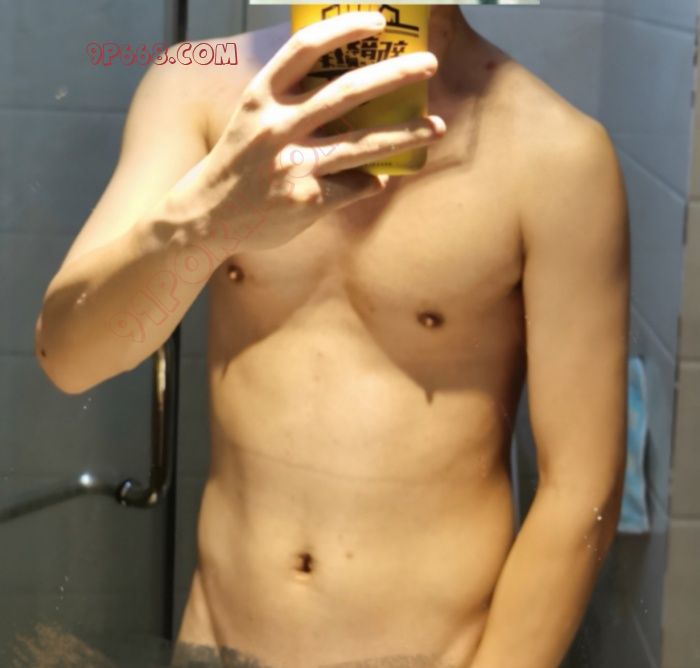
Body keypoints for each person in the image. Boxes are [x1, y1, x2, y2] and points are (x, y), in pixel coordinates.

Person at [34, 4, 630, 668]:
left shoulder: (559, 154)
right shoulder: (195, 83)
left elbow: (581, 490)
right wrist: (208, 222)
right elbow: (70, 358)